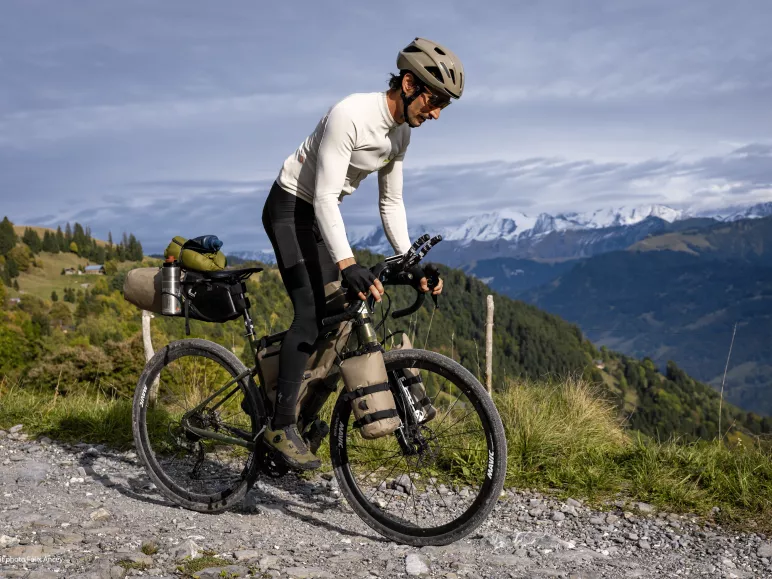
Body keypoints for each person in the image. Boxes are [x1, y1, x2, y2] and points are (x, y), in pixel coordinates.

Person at [260, 37, 465, 470]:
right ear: (408, 84)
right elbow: (323, 197)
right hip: (290, 208)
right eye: (434, 101)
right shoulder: (350, 115)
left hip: (319, 216)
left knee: (341, 313)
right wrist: (348, 263)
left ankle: (299, 406)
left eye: (443, 106)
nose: (436, 114)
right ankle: (280, 425)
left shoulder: (401, 134)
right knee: (309, 315)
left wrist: (410, 263)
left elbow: (391, 202)